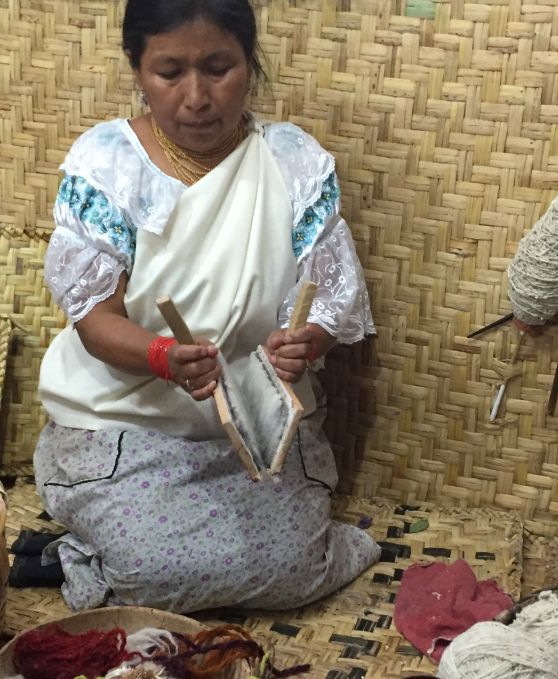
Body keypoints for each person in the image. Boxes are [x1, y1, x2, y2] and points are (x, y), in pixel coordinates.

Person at [35, 0, 381, 613]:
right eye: (170, 72)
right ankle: (106, 564)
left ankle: (96, 570)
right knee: (153, 568)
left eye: (218, 67)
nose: (196, 96)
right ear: (138, 71)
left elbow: (330, 299)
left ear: (250, 64)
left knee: (287, 565)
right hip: (126, 420)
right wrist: (164, 356)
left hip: (254, 422)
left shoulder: (292, 163)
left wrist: (309, 341)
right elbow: (94, 321)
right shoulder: (108, 164)